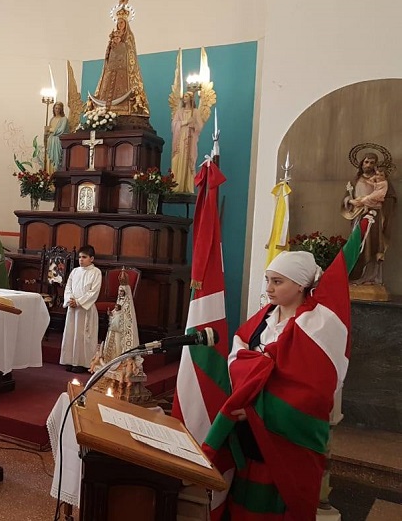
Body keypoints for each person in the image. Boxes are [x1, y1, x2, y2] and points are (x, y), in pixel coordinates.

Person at [205, 250, 338, 519]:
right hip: (248, 428)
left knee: (274, 501)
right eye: (267, 280)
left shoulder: (314, 326)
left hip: (283, 435)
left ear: (300, 285)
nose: (268, 288)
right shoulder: (264, 317)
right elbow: (239, 353)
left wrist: (256, 410)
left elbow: (310, 389)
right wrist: (248, 391)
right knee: (241, 494)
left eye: (278, 281)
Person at [89, 0, 149, 118]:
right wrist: (111, 45)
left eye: (122, 22)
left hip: (123, 70)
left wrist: (121, 44)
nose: (120, 24)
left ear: (126, 24)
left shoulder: (129, 37)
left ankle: (123, 108)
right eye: (118, 22)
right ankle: (103, 111)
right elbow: (108, 55)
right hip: (111, 69)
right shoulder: (113, 36)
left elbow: (130, 52)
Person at [341, 152, 397, 285]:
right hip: (357, 217)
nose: (368, 165)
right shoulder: (355, 180)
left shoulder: (381, 180)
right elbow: (346, 197)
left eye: (372, 163)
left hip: (375, 218)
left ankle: (371, 277)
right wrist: (351, 201)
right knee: (357, 244)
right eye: (366, 162)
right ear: (361, 163)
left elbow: (390, 198)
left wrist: (376, 204)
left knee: (372, 245)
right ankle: (355, 275)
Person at [59, 246, 102, 374]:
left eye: (84, 257)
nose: (81, 260)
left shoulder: (96, 272)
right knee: (71, 334)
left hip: (85, 309)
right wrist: (70, 300)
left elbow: (93, 292)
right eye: (79, 257)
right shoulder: (75, 271)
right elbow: (68, 287)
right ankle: (70, 360)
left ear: (92, 259)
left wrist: (78, 302)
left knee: (84, 336)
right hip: (73, 309)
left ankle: (83, 363)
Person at [170, 92, 204, 193]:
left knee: (188, 159)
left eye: (186, 96)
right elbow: (174, 124)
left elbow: (200, 126)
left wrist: (193, 125)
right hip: (180, 139)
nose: (184, 98)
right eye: (184, 96)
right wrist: (185, 122)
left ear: (191, 98)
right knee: (178, 159)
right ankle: (177, 185)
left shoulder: (196, 112)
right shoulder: (179, 112)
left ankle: (187, 186)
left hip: (190, 140)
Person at [45, 102, 70, 173]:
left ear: (61, 109)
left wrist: (50, 129)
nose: (57, 110)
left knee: (57, 158)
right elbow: (49, 130)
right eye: (56, 108)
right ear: (53, 109)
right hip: (51, 141)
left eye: (59, 108)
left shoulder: (64, 119)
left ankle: (55, 174)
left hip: (58, 141)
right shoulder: (52, 119)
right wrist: (47, 132)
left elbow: (61, 130)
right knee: (49, 158)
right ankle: (49, 176)